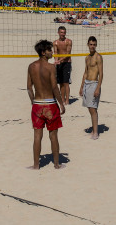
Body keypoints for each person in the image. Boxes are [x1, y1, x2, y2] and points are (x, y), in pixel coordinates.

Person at [27, 40, 66, 170]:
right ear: (43, 53)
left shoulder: (31, 66)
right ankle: (56, 164)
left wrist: (33, 101)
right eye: (50, 50)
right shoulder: (51, 67)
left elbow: (28, 88)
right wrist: (61, 104)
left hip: (37, 105)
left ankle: (36, 165)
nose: (52, 52)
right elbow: (55, 88)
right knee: (53, 136)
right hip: (50, 105)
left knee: (37, 136)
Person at [80, 36, 103, 140]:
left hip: (94, 84)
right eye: (91, 44)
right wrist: (81, 87)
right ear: (88, 45)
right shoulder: (87, 58)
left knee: (93, 109)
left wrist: (98, 88)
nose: (92, 46)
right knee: (90, 108)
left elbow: (101, 74)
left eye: (94, 44)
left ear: (96, 45)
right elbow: (85, 73)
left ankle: (96, 132)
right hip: (87, 84)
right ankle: (94, 130)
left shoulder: (98, 57)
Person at [53, 26, 73, 105]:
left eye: (64, 33)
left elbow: (68, 54)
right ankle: (62, 99)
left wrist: (59, 60)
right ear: (58, 33)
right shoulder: (55, 43)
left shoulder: (68, 41)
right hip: (59, 63)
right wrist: (56, 61)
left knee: (66, 83)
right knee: (61, 82)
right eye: (61, 32)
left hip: (67, 63)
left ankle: (67, 100)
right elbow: (55, 53)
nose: (63, 34)